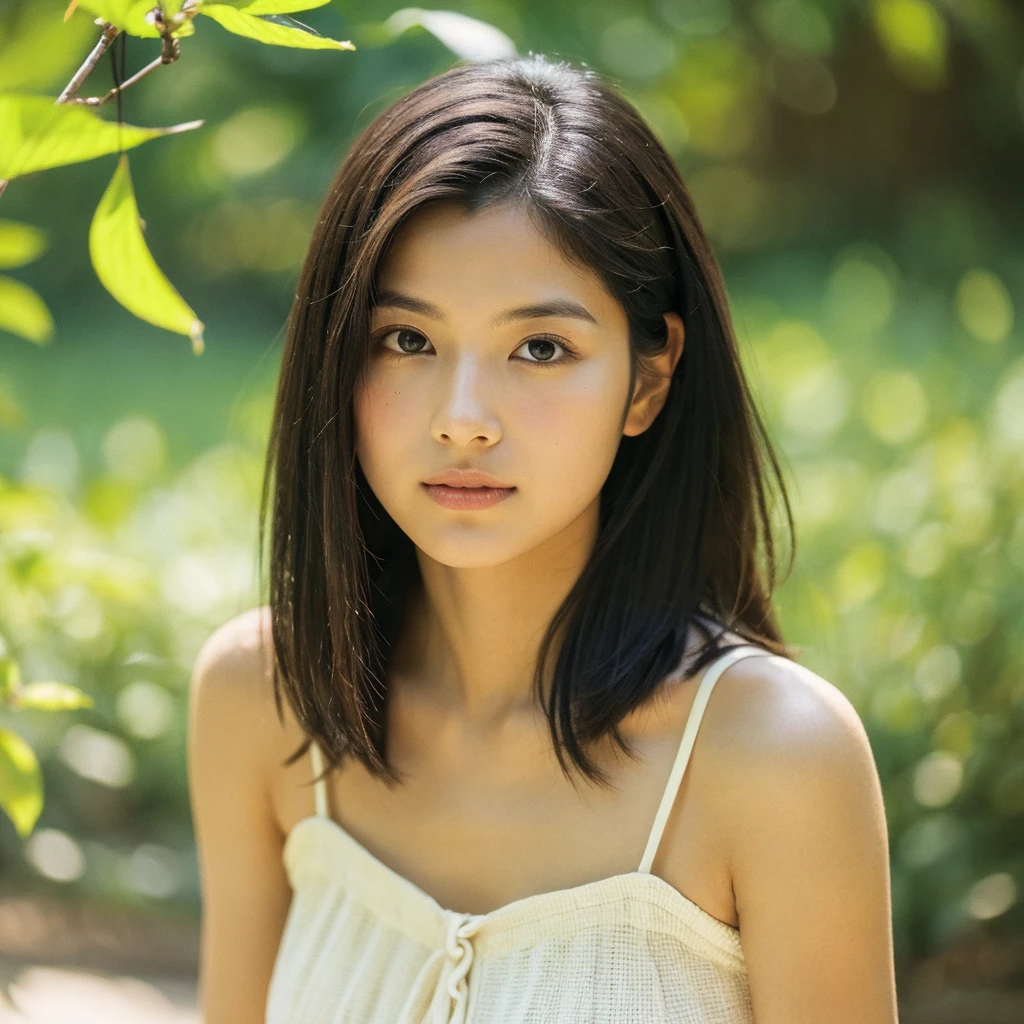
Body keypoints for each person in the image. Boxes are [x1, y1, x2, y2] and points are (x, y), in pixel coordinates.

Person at [187, 54, 899, 1024]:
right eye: (407, 339)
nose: (464, 418)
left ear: (648, 380)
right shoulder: (265, 699)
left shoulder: (773, 758)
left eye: (539, 348)